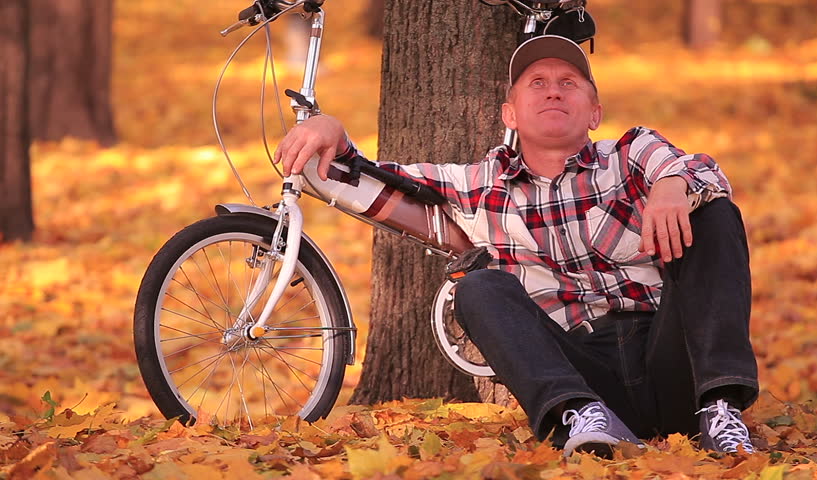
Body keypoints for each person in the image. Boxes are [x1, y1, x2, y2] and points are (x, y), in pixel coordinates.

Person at [274, 35, 759, 457]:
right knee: (478, 287)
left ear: (595, 112)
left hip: (671, 358)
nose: (553, 89)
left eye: (569, 82)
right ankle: (580, 419)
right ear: (510, 113)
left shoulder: (630, 155)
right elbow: (373, 175)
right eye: (537, 83)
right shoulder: (479, 184)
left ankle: (720, 408)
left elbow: (695, 167)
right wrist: (329, 128)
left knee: (714, 212)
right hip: (586, 376)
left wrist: (671, 187)